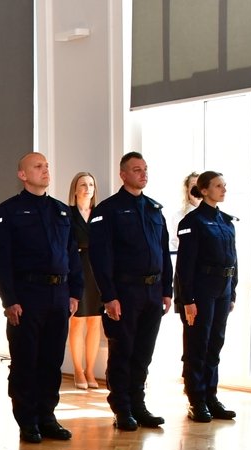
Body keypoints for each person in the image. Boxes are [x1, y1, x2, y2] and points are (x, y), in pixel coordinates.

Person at [0, 152, 83, 444]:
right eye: (38, 167)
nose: (45, 171)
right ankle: (27, 420)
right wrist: (9, 300)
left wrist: (75, 292)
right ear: (22, 174)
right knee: (25, 361)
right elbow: (0, 260)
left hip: (58, 295)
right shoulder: (10, 210)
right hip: (27, 296)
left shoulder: (62, 211)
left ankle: (47, 416)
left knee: (51, 360)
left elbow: (72, 255)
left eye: (46, 166)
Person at [88, 152, 174, 431]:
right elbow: (100, 257)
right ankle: (122, 408)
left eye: (145, 169)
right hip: (124, 292)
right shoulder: (108, 209)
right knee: (122, 351)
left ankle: (139, 404)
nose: (143, 174)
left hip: (153, 291)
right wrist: (109, 295)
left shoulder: (154, 209)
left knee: (143, 353)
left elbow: (165, 252)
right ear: (123, 175)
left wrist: (167, 290)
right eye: (137, 170)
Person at [174, 171, 238, 423]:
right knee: (197, 344)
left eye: (224, 185)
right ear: (203, 190)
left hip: (222, 289)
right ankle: (196, 400)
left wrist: (232, 291)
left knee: (215, 344)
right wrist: (187, 299)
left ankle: (211, 396)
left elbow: (234, 258)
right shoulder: (193, 221)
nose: (224, 189)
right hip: (201, 289)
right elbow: (185, 266)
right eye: (218, 186)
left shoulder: (226, 221)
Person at [67, 172, 103, 390]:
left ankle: (90, 370)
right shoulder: (68, 214)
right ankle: (78, 370)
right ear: (75, 189)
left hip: (97, 268)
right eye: (83, 184)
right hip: (77, 267)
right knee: (78, 320)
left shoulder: (100, 214)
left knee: (95, 321)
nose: (87, 188)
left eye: (91, 184)